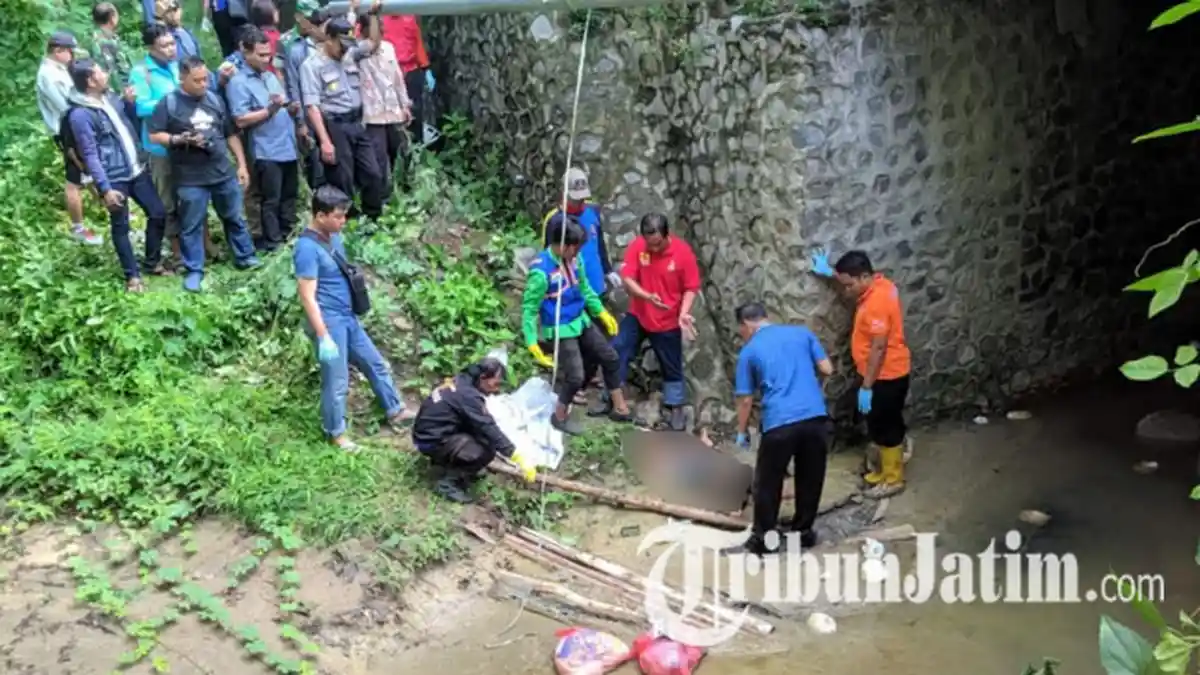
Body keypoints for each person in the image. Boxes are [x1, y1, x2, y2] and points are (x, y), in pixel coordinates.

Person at [295, 186, 416, 451]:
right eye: (337, 217)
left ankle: (394, 410)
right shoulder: (306, 249)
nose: (343, 221)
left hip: (348, 318)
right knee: (337, 381)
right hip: (329, 322)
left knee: (375, 362)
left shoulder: (334, 238)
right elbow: (307, 296)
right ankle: (336, 433)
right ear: (319, 215)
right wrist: (323, 335)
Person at [726, 302, 834, 556]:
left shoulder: (749, 351)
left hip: (779, 423)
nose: (741, 334)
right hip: (815, 418)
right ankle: (803, 533)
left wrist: (741, 430)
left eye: (740, 329)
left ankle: (765, 539)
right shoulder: (802, 333)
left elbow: (745, 399)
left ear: (746, 325)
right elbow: (827, 368)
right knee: (811, 477)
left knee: (768, 481)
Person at [147, 55, 260, 292]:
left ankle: (245, 256)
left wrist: (240, 164)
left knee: (234, 217)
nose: (203, 84)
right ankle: (194, 269)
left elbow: (230, 134)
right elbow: (154, 135)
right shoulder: (169, 104)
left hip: (221, 171)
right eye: (197, 80)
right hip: (190, 176)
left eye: (206, 79)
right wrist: (179, 139)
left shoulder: (214, 100)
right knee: (191, 224)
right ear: (182, 78)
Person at [811, 248, 912, 498]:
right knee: (877, 422)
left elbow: (879, 347)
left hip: (886, 374)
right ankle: (884, 471)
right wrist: (830, 273)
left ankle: (893, 479)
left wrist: (866, 386)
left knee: (888, 426)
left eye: (848, 285)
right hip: (881, 373)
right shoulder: (879, 284)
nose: (846, 290)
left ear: (864, 277)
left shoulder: (877, 303)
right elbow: (851, 278)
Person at [523, 215, 635, 435]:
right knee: (575, 375)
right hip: (560, 327)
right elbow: (528, 310)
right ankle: (560, 416)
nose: (577, 252)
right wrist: (531, 341)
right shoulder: (541, 272)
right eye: (575, 247)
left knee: (610, 357)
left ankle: (620, 407)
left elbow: (584, 289)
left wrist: (601, 312)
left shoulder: (576, 260)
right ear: (563, 245)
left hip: (580, 319)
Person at [67, 60, 167, 293]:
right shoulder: (80, 114)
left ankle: (152, 262)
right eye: (101, 71)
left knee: (158, 213)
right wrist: (104, 188)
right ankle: (132, 275)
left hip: (136, 169)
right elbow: (90, 153)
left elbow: (128, 124)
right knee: (121, 226)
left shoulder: (111, 99)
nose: (106, 73)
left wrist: (130, 105)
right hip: (114, 177)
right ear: (91, 81)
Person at [615, 213, 701, 432]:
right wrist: (645, 296)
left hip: (668, 319)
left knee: (671, 365)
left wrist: (683, 313)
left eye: (657, 244)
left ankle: (676, 407)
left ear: (666, 235)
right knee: (619, 348)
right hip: (639, 313)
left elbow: (691, 287)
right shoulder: (638, 247)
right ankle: (613, 395)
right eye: (649, 244)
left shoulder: (682, 254)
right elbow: (627, 278)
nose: (653, 250)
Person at [300, 7, 385, 221]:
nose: (344, 51)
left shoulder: (349, 54)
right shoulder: (312, 66)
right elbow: (312, 106)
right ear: (329, 38)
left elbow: (373, 44)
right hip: (334, 126)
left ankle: (372, 218)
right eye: (340, 45)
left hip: (356, 122)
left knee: (373, 173)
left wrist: (373, 16)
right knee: (342, 179)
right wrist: (325, 141)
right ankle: (346, 223)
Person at [412, 358, 538, 503]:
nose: (496, 389)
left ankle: (448, 463)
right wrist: (516, 456)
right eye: (495, 383)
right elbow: (488, 427)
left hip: (429, 432)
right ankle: (448, 483)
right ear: (482, 377)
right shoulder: (468, 396)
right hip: (430, 440)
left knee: (479, 434)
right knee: (486, 449)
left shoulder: (461, 381)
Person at [228, 27, 299, 251]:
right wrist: (270, 110)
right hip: (265, 149)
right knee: (271, 199)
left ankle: (290, 234)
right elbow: (240, 119)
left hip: (287, 144)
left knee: (289, 194)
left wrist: (291, 109)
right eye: (260, 55)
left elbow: (282, 104)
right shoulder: (238, 82)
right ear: (246, 53)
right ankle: (273, 241)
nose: (266, 59)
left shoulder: (270, 76)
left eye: (268, 54)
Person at [37, 31, 101, 246]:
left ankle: (110, 207)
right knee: (74, 180)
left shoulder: (59, 70)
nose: (72, 56)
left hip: (74, 126)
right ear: (58, 51)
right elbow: (64, 106)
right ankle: (78, 228)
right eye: (70, 52)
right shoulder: (48, 75)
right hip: (66, 130)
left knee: (90, 170)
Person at [356, 11, 411, 194]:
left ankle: (400, 190)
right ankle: (379, 196)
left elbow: (397, 77)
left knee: (400, 151)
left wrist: (405, 104)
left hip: (393, 110)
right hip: (373, 114)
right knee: (378, 158)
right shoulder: (357, 51)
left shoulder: (389, 48)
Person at [281, 1, 326, 190]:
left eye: (315, 20)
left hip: (330, 111)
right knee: (314, 159)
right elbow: (292, 85)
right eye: (308, 19)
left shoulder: (327, 43)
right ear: (299, 17)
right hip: (308, 112)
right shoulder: (291, 45)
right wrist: (300, 122)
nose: (311, 24)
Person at [88, 3, 132, 94]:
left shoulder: (94, 37)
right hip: (113, 93)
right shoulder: (105, 41)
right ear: (112, 17)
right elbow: (113, 72)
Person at [248, 0, 282, 75]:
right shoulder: (273, 37)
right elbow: (278, 65)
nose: (277, 12)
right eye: (274, 10)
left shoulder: (254, 34)